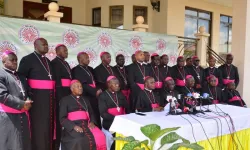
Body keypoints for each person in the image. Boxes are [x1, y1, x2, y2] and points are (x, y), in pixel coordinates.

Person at [18, 38, 55, 150]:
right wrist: (28, 94)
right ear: (35, 45)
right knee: (39, 126)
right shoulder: (27, 59)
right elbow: (21, 78)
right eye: (43, 44)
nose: (46, 46)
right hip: (36, 98)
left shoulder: (48, 61)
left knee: (48, 125)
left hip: (49, 99)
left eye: (47, 44)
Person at [60, 80, 107, 150]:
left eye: (81, 86)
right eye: (77, 86)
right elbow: (62, 118)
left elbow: (91, 113)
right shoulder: (65, 100)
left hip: (86, 124)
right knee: (79, 140)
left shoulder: (86, 99)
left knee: (100, 135)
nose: (80, 88)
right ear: (72, 89)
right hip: (73, 126)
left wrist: (92, 122)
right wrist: (74, 126)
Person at [0, 51, 32, 150]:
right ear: (4, 61)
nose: (15, 62)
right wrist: (21, 104)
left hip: (23, 115)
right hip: (8, 117)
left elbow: (29, 91)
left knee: (23, 144)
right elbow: (2, 95)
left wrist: (29, 101)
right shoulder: (1, 74)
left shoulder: (20, 76)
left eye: (16, 60)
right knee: (10, 144)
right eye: (11, 60)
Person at [72, 52, 102, 129]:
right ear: (80, 59)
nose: (88, 59)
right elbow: (82, 84)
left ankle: (98, 131)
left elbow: (96, 81)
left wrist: (98, 89)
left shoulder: (90, 69)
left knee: (96, 114)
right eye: (86, 58)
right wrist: (95, 91)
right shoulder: (76, 70)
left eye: (88, 58)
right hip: (86, 96)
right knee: (90, 114)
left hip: (95, 96)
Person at [51, 44, 72, 149]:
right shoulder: (54, 63)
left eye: (67, 50)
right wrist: (61, 98)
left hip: (68, 93)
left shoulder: (66, 63)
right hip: (61, 95)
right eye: (64, 50)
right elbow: (58, 82)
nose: (66, 52)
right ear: (57, 51)